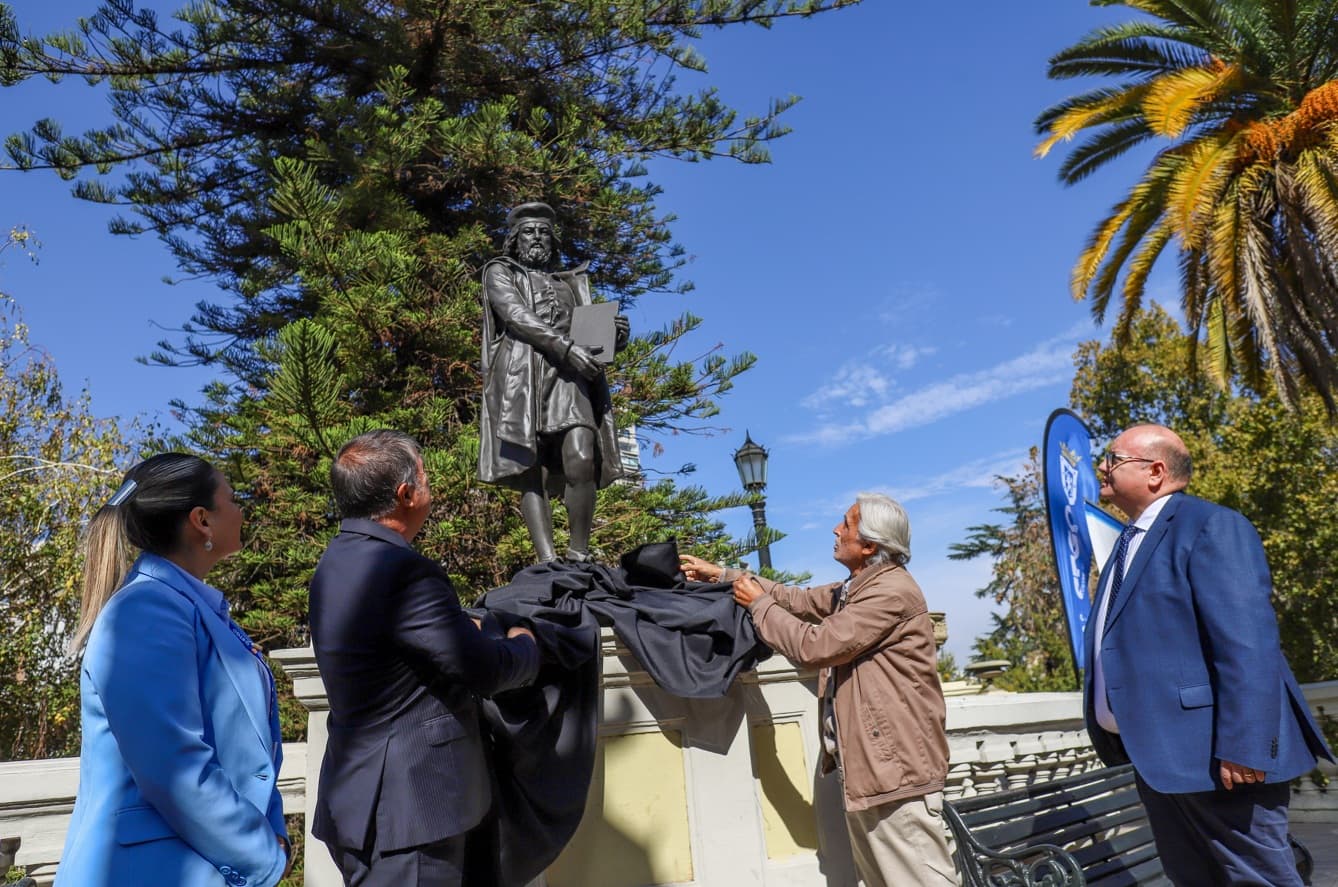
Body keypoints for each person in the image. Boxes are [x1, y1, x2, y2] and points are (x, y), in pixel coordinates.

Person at [1086, 423, 1333, 885]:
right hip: (1162, 758)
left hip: (1220, 760)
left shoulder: (1211, 525)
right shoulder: (1128, 541)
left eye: (1113, 458)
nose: (1102, 466)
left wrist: (1246, 747)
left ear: (1155, 471)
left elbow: (1248, 644)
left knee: (1257, 878)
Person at [681, 492, 955, 887]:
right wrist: (725, 576)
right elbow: (798, 600)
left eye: (846, 523)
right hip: (877, 773)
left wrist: (758, 607)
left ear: (869, 545)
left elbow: (816, 646)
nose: (836, 529)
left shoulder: (890, 592)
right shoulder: (857, 588)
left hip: (897, 775)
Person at [309, 429, 541, 886]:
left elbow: (396, 647)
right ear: (405, 494)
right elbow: (484, 671)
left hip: (359, 797)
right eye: (426, 480)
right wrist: (525, 641)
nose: (430, 490)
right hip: (411, 810)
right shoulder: (404, 570)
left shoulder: (334, 561)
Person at [57, 454, 291, 887]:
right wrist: (264, 855)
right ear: (201, 519)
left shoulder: (190, 609)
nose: (242, 510)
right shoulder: (147, 609)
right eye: (232, 499)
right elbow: (173, 764)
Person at [477, 200, 629, 563]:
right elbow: (515, 315)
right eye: (529, 231)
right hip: (521, 377)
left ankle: (579, 553)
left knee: (580, 455)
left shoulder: (569, 285)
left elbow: (589, 335)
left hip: (569, 378)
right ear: (515, 238)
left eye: (544, 232)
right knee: (533, 468)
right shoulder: (500, 272)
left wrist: (615, 336)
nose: (537, 238)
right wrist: (565, 347)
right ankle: (547, 559)